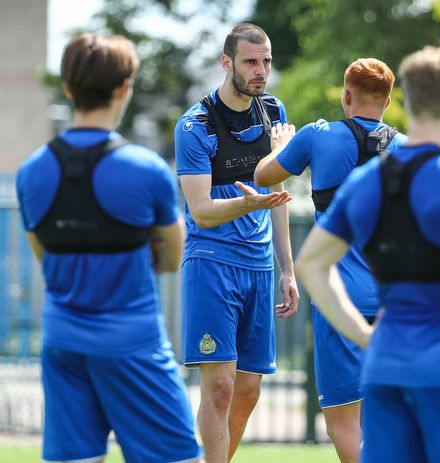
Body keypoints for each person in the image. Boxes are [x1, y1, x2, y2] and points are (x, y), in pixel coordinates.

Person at [294, 46, 440, 463]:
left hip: (386, 366)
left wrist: (363, 335)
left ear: (410, 104)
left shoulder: (366, 183)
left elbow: (310, 263)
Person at [15, 33, 201, 463]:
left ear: (67, 88)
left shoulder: (30, 173)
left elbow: (45, 255)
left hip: (61, 342)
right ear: (124, 88)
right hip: (133, 342)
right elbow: (173, 258)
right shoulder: (146, 169)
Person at [254, 58, 406, 463]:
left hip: (339, 297)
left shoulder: (318, 136)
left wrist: (279, 148)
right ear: (388, 101)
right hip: (397, 300)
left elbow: (263, 176)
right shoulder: (409, 149)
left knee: (343, 415)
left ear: (346, 95)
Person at [174, 23, 300, 463]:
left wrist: (287, 268)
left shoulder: (273, 112)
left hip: (259, 266)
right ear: (226, 63)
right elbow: (202, 211)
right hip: (211, 262)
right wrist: (253, 203)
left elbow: (278, 198)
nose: (260, 70)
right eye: (250, 61)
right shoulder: (195, 124)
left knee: (248, 390)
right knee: (221, 387)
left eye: (266, 61)